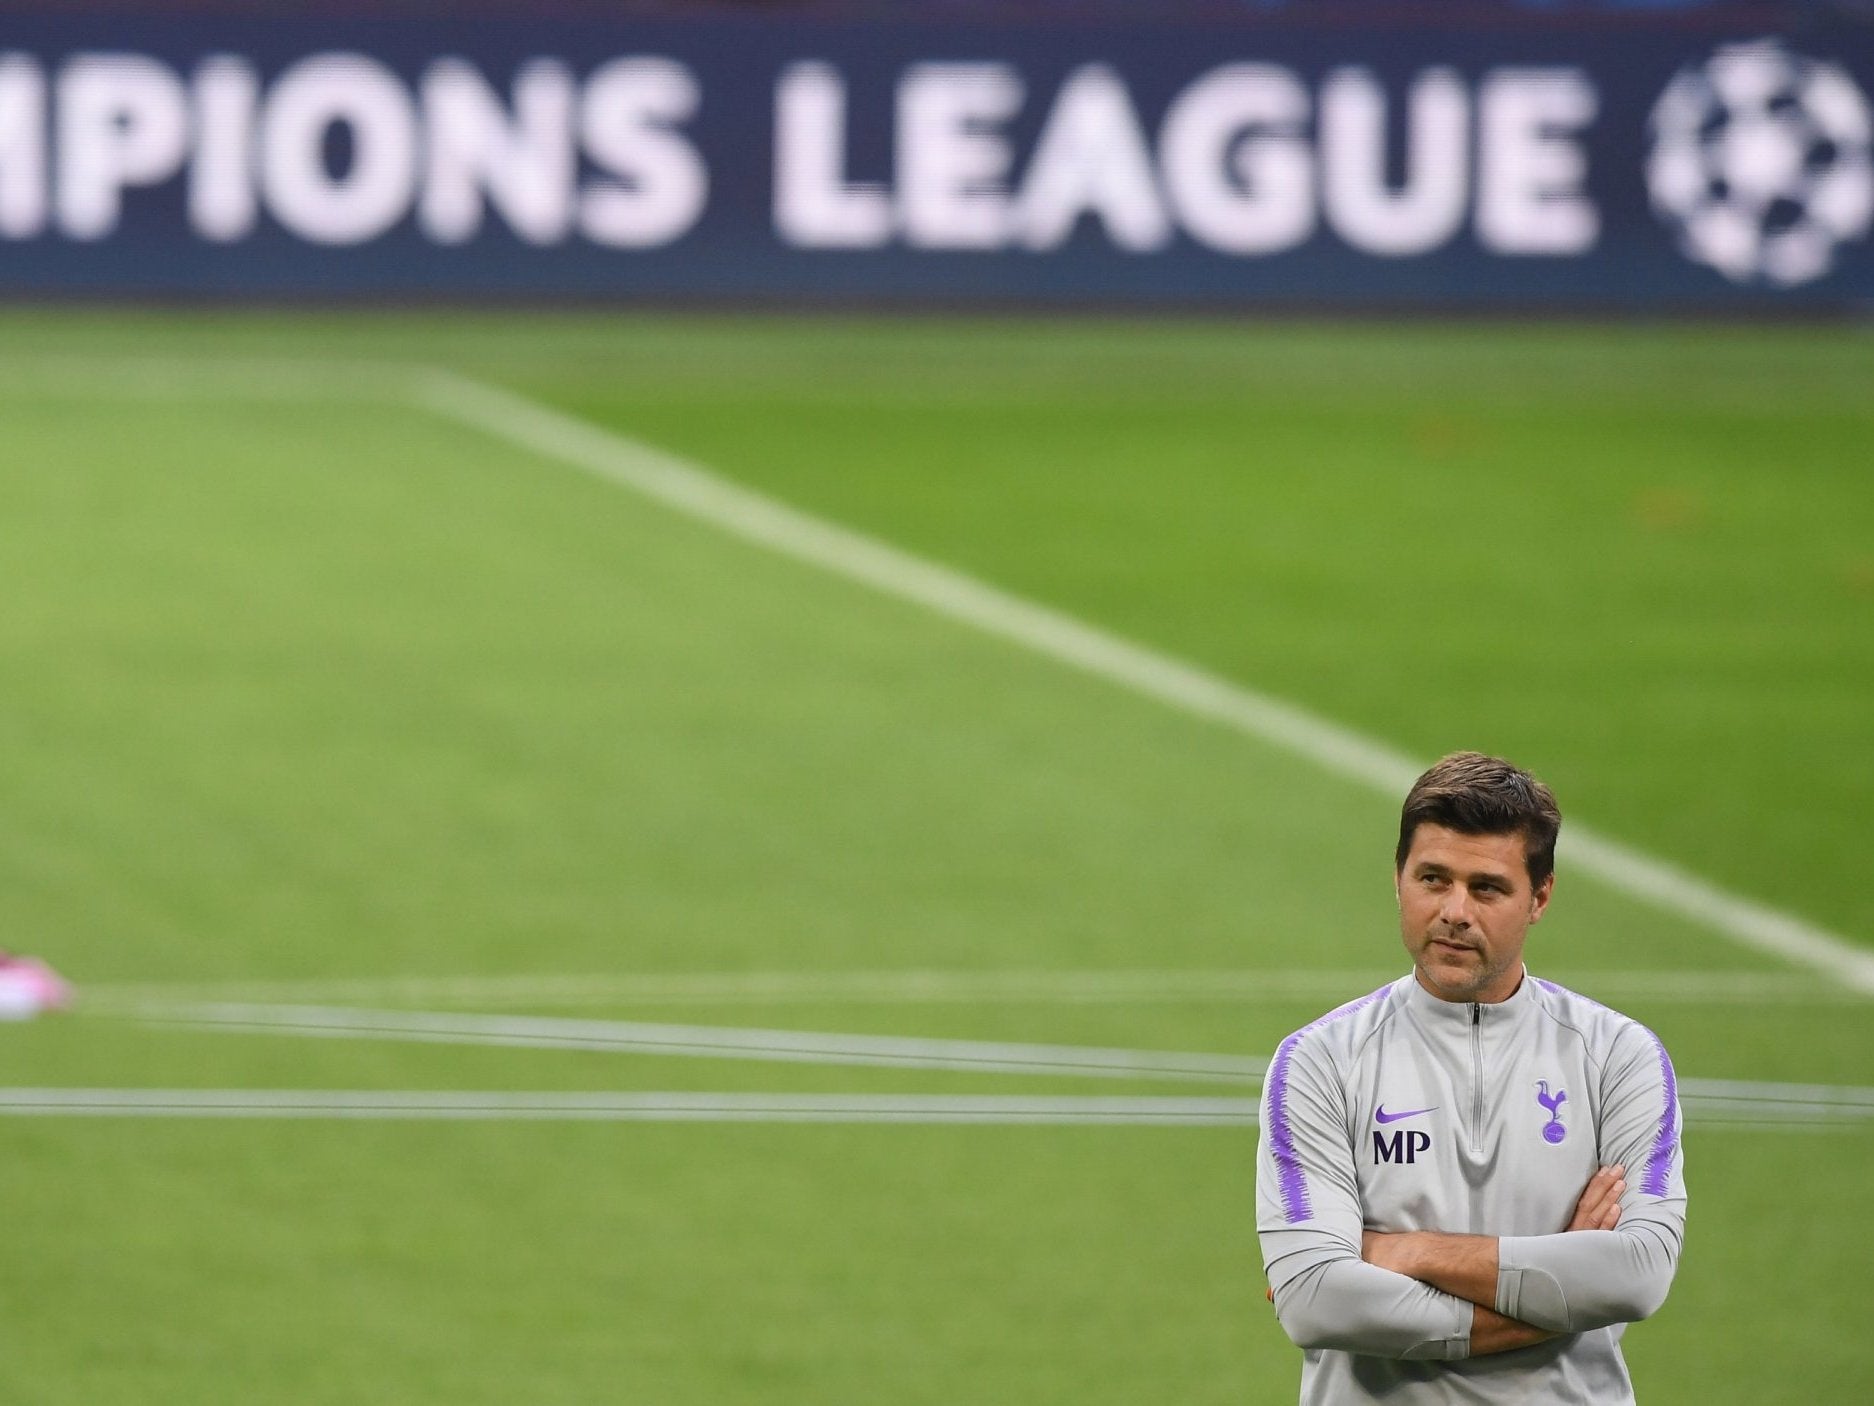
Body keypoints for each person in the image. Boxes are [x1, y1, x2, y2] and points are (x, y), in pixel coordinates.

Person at [1256, 751, 1686, 1404]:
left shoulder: (1617, 1057)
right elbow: (1318, 1302)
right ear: (1398, 879)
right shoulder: (1320, 1062)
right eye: (1433, 878)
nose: (1455, 910)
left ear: (1539, 896)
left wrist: (1413, 1252)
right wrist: (1553, 1290)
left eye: (1486, 887)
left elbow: (1638, 1276)